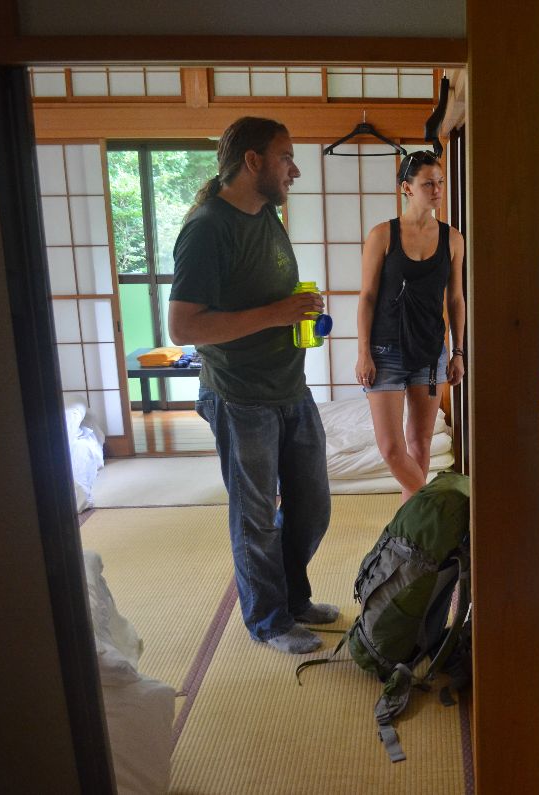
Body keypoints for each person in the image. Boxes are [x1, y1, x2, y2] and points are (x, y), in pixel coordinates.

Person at [169, 116, 336, 655]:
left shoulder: (266, 214)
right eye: (286, 157)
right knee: (256, 517)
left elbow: (266, 298)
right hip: (240, 394)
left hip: (289, 385)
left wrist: (299, 312)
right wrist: (277, 313)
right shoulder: (207, 228)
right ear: (253, 160)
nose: (295, 170)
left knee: (312, 505)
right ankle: (268, 619)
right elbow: (183, 327)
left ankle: (292, 598)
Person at [356, 150, 466, 503]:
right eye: (428, 184)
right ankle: (432, 507)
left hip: (431, 353)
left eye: (440, 182)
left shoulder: (452, 238)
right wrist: (363, 353)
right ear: (407, 187)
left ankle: (413, 524)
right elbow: (367, 297)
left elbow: (455, 299)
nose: (437, 190)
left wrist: (458, 352)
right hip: (384, 351)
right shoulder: (382, 235)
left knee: (421, 444)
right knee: (391, 448)